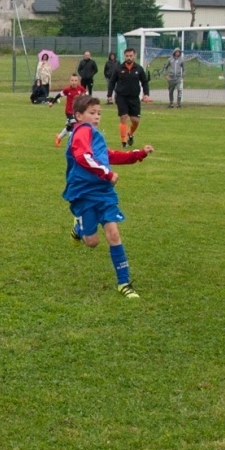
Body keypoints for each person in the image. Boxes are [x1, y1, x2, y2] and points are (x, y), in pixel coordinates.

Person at [63, 95, 153, 299]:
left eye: (99, 113)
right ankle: (79, 227)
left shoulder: (94, 134)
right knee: (92, 242)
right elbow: (83, 157)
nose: (96, 117)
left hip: (104, 192)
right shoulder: (81, 132)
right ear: (78, 115)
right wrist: (107, 173)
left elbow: (108, 155)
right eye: (92, 113)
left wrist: (137, 154)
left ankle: (124, 283)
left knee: (113, 234)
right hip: (85, 192)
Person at [113, 47, 150, 147]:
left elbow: (144, 82)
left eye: (131, 56)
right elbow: (112, 82)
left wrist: (146, 94)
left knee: (135, 121)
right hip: (121, 97)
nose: (129, 58)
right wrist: (109, 95)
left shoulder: (139, 69)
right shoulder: (119, 68)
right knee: (123, 117)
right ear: (124, 56)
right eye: (127, 56)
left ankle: (130, 133)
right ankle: (123, 141)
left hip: (134, 98)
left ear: (134, 56)